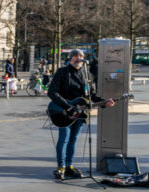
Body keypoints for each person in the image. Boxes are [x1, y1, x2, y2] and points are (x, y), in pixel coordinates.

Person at [47, 49, 114, 180]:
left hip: (79, 113)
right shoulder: (62, 72)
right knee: (64, 138)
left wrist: (104, 103)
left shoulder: (87, 75)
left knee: (73, 140)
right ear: (70, 59)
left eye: (81, 56)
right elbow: (52, 93)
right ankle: (61, 167)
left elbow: (92, 96)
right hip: (63, 112)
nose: (78, 59)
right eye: (75, 57)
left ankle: (69, 166)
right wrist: (67, 106)